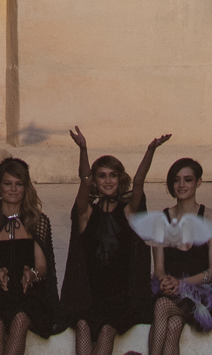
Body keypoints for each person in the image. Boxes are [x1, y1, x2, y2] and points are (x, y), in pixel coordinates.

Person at [60, 128, 171, 355]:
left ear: (120, 179)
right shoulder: (86, 213)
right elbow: (84, 180)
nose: (108, 180)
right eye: (102, 176)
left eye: (113, 175)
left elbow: (139, 182)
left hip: (120, 299)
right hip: (89, 297)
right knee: (82, 327)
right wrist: (83, 149)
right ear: (96, 180)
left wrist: (150, 150)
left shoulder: (128, 210)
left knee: (106, 331)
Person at [0, 158, 64, 355]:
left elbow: (42, 266)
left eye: (19, 184)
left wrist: (32, 274)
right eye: (8, 183)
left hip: (30, 296)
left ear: (26, 188)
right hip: (0, 295)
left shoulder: (38, 222)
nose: (13, 189)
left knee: (20, 318)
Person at [147, 158, 212, 355]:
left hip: (200, 294)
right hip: (169, 291)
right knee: (173, 324)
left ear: (198, 182)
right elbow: (159, 269)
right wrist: (166, 282)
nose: (181, 185)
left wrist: (181, 283)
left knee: (162, 306)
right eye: (176, 180)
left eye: (188, 179)